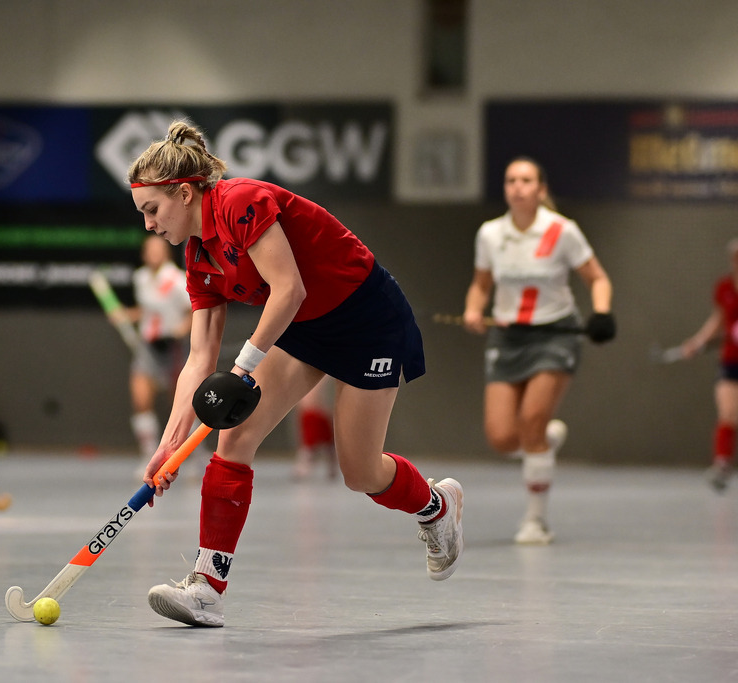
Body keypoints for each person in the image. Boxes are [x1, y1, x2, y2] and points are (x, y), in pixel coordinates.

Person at [128, 120, 463, 628]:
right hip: (306, 330)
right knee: (234, 437)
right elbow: (198, 358)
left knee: (360, 471)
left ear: (183, 192)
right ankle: (207, 587)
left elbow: (288, 290)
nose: (149, 226)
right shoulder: (198, 258)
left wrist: (243, 370)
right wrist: (170, 445)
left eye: (152, 211)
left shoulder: (241, 202)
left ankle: (437, 506)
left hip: (367, 320)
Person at [461, 156, 615, 545]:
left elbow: (597, 278)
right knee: (501, 437)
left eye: (526, 179)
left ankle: (536, 521)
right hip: (508, 337)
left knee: (530, 420)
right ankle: (544, 437)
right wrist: (474, 309)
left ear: (541, 189)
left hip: (555, 334)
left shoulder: (562, 231)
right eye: (511, 179)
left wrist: (601, 312)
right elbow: (481, 284)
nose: (517, 186)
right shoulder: (491, 234)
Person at [125, 234, 196, 472]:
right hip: (148, 348)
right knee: (141, 400)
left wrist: (182, 329)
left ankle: (192, 458)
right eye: (150, 250)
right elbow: (147, 311)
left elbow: (193, 310)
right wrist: (127, 315)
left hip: (173, 348)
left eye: (159, 249)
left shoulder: (176, 280)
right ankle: (149, 457)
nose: (154, 254)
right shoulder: (141, 278)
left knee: (182, 406)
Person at [678, 238, 738, 492]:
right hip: (731, 360)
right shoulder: (724, 287)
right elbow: (719, 319)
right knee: (728, 413)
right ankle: (722, 464)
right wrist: (698, 341)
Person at [291, 376, 338, 481]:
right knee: (325, 444)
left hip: (314, 412)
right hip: (312, 412)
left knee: (324, 444)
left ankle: (308, 464)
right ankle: (329, 464)